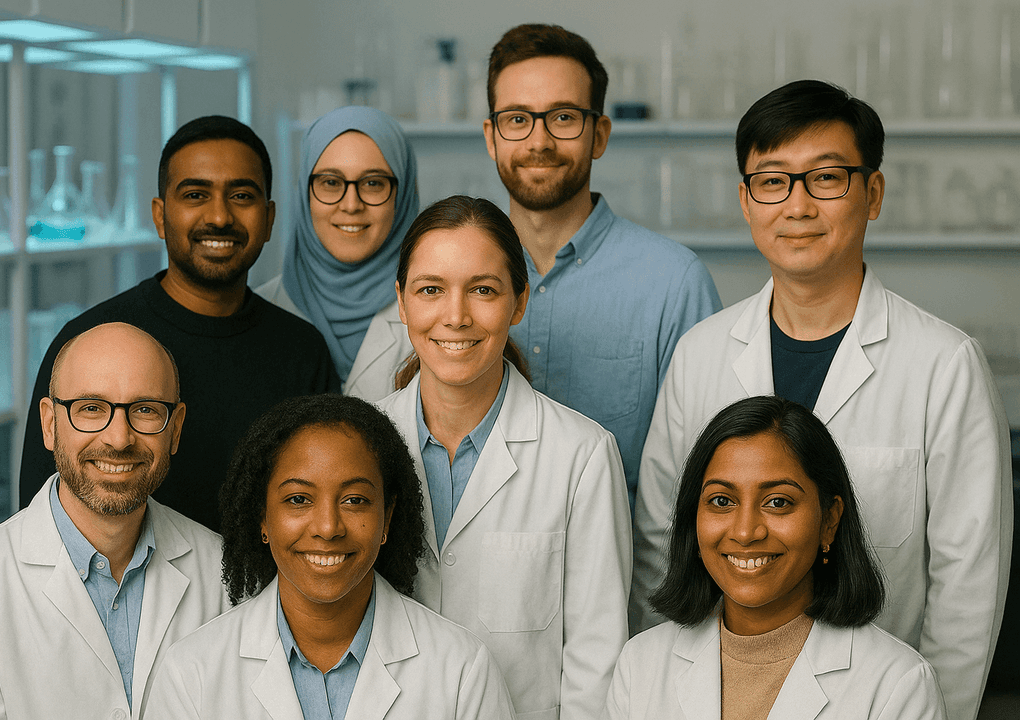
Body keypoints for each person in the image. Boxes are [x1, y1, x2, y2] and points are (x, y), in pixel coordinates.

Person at [631, 80, 1012, 720]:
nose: (798, 205)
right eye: (772, 182)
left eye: (827, 178)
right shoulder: (701, 354)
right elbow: (659, 543)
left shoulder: (943, 363)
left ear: (873, 193)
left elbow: (968, 579)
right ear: (746, 201)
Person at [378, 195, 632, 719]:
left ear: (519, 302)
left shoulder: (581, 455)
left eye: (483, 290)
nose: (456, 316)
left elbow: (596, 661)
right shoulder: (362, 442)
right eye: (431, 290)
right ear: (402, 303)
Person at [19, 115, 339, 532]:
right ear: (160, 215)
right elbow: (37, 518)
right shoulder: (90, 342)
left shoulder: (302, 350)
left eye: (242, 195)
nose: (220, 216)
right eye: (195, 195)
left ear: (269, 218)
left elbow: (323, 501)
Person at [144, 394, 515, 719]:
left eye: (355, 500)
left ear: (386, 518)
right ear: (263, 517)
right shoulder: (191, 672)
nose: (328, 527)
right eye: (298, 499)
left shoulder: (462, 670)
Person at [483, 23, 721, 509]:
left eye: (564, 117)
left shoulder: (674, 283)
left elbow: (709, 466)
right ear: (492, 136)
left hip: (628, 557)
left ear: (600, 135)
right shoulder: (454, 277)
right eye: (517, 119)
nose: (539, 141)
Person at [0, 322, 230, 720]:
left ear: (175, 429)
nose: (118, 438)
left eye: (145, 410)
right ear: (49, 424)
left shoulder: (224, 574)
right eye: (91, 409)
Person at [606, 396, 946, 719]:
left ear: (829, 521)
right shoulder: (640, 665)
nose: (745, 532)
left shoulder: (899, 685)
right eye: (722, 501)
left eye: (778, 502)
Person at [259, 106, 420, 400]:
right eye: (331, 183)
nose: (351, 205)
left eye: (373, 183)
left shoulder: (438, 316)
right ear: (305, 192)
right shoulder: (260, 310)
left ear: (403, 194)